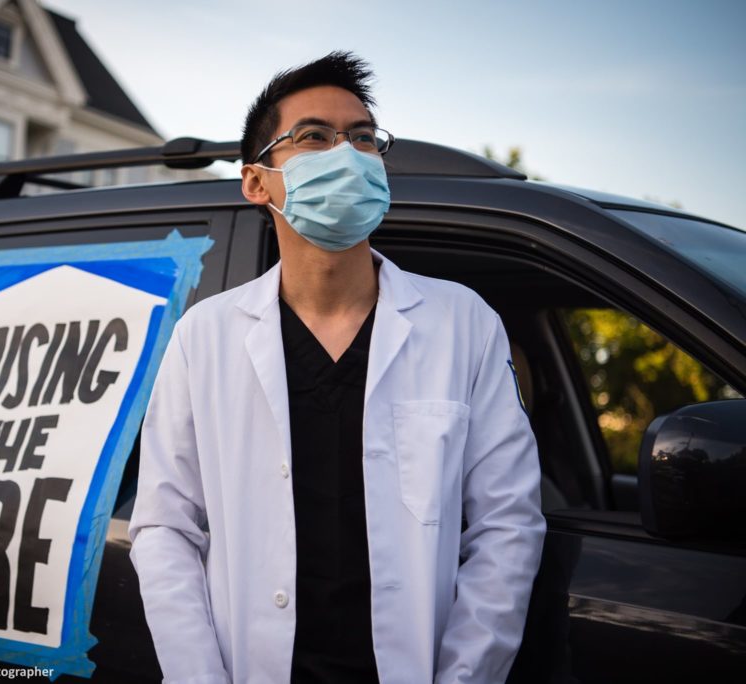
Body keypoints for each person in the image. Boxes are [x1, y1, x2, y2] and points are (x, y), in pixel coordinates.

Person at [128, 51, 546, 684]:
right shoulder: (204, 338)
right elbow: (165, 527)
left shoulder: (463, 324)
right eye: (314, 137)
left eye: (363, 138)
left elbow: (507, 523)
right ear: (256, 182)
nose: (347, 154)